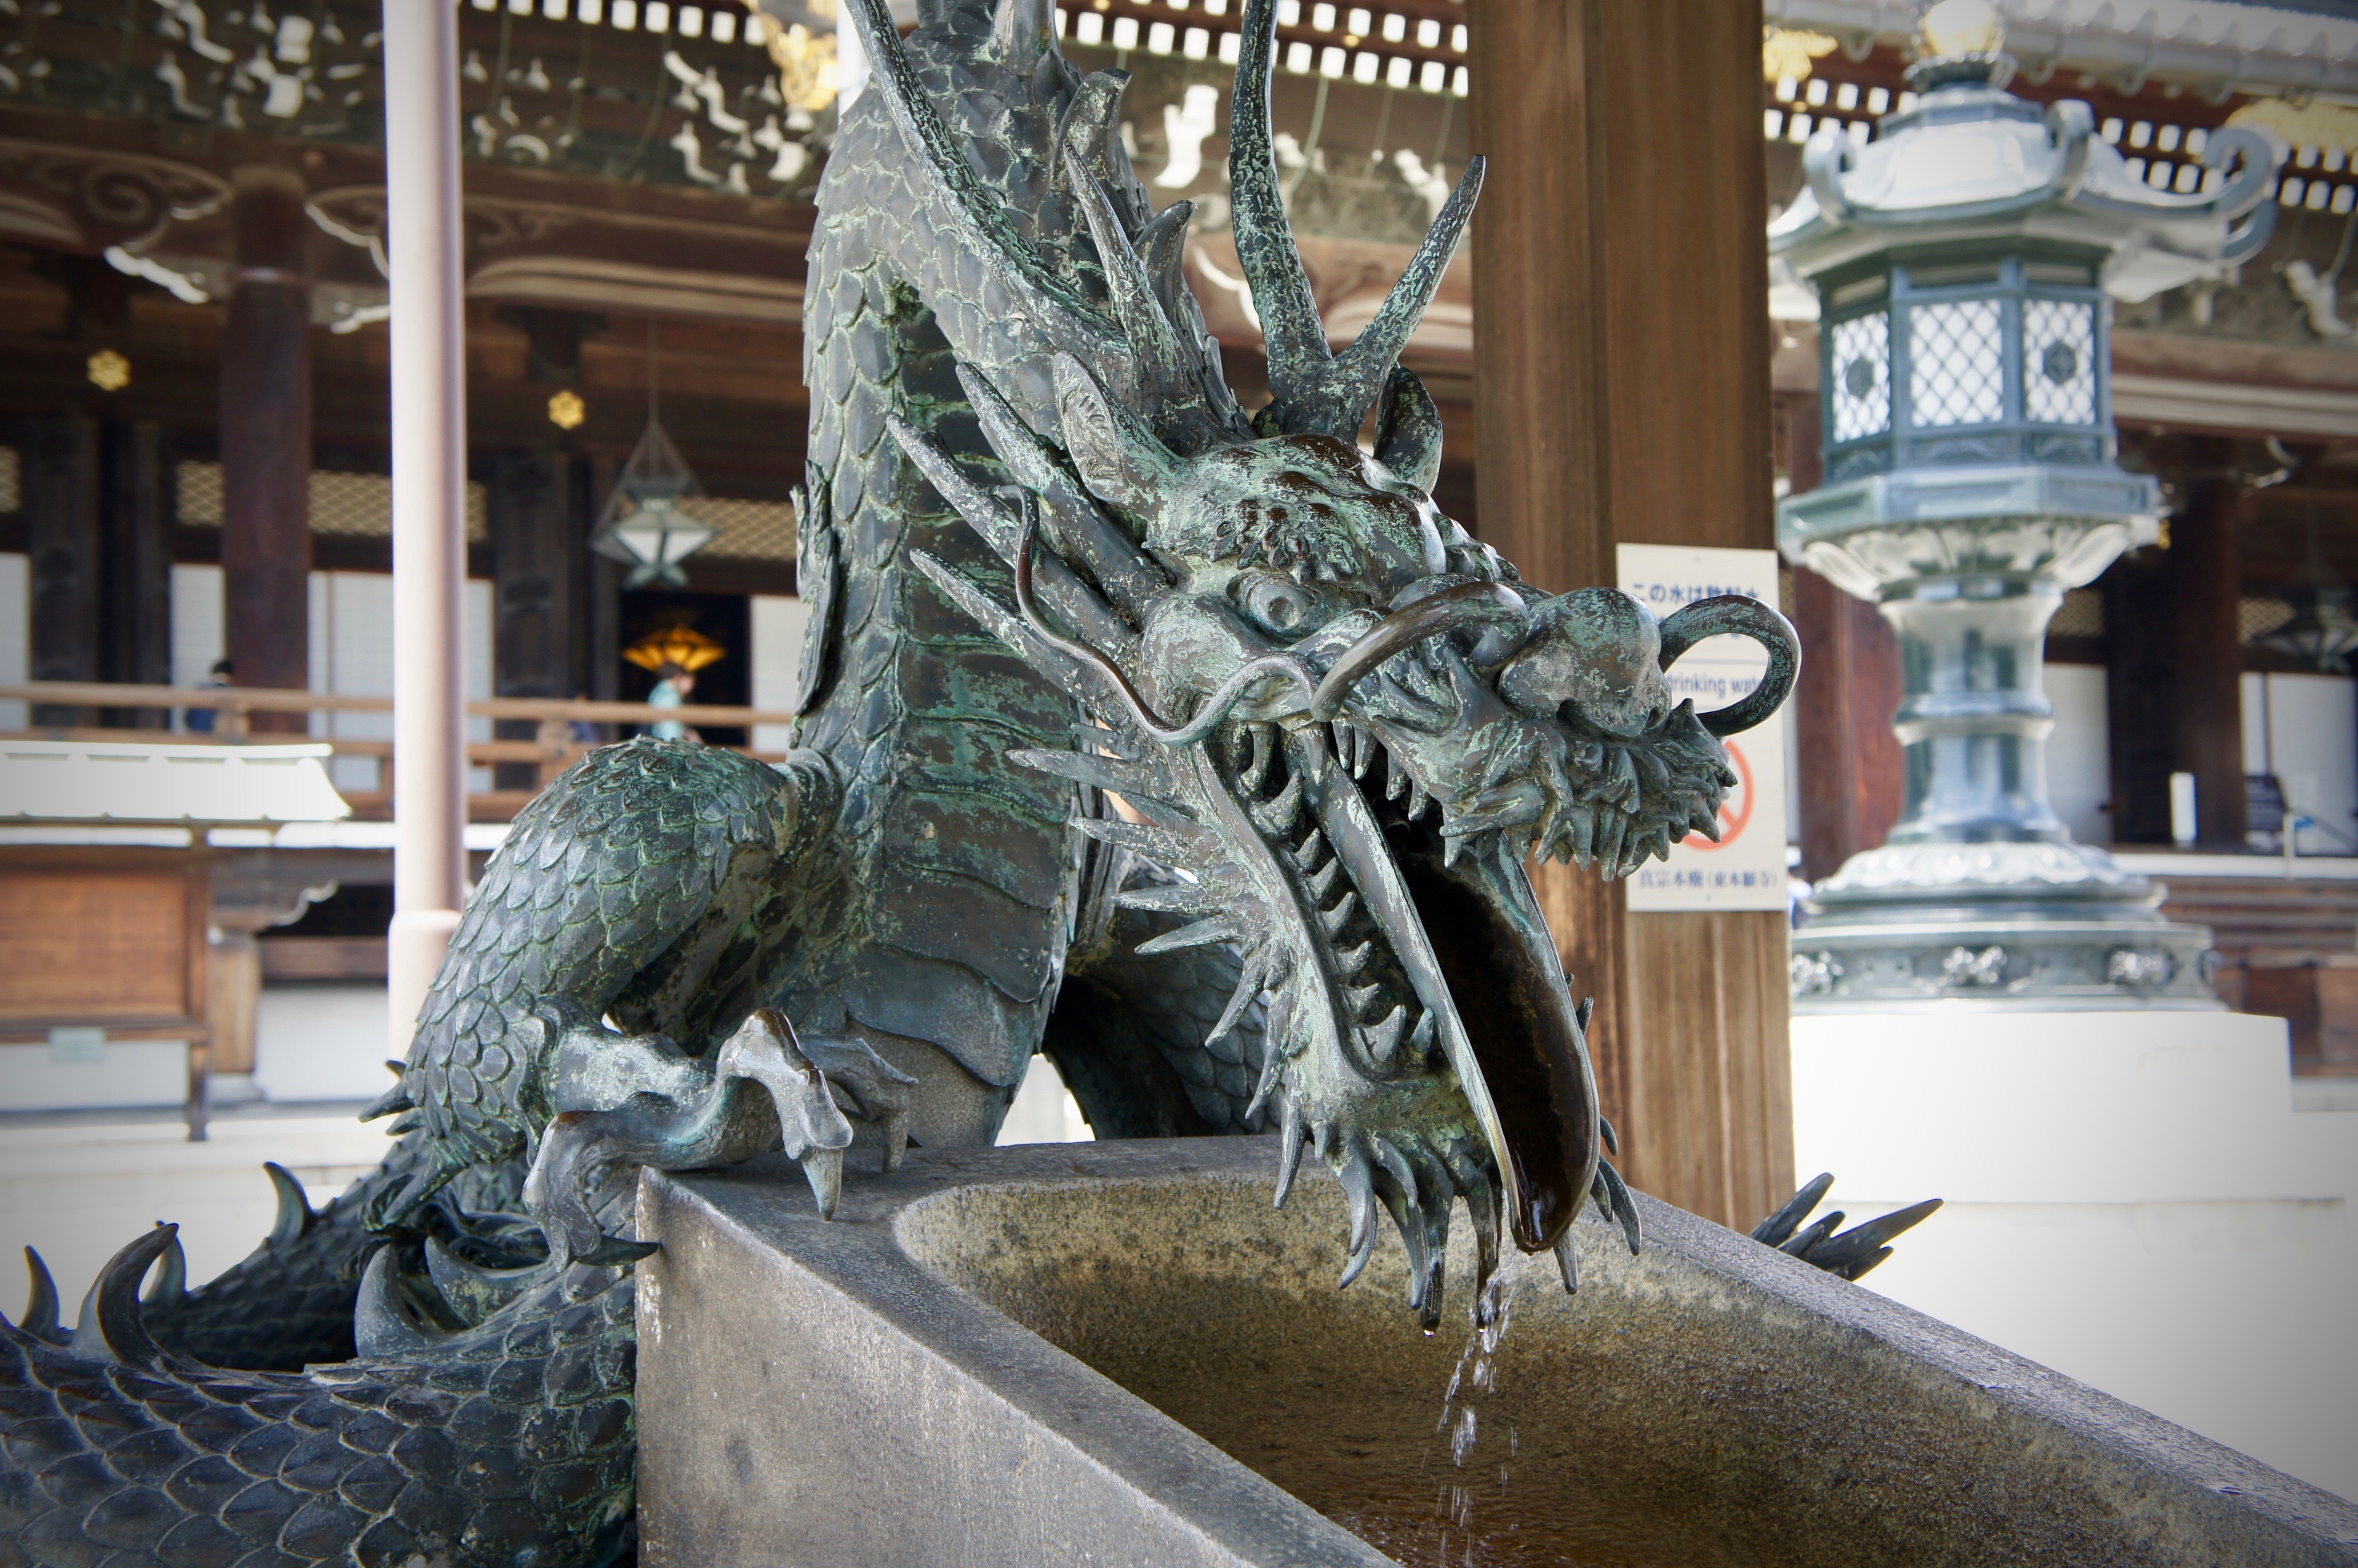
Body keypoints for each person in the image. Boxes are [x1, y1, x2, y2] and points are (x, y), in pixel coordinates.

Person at [646, 661, 699, 743]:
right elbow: (670, 728)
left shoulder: (658, 691)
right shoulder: (669, 695)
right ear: (678, 676)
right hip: (667, 745)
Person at [187, 658, 233, 735]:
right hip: (219, 738)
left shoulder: (200, 689)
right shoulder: (231, 692)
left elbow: (188, 716)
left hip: (196, 734)